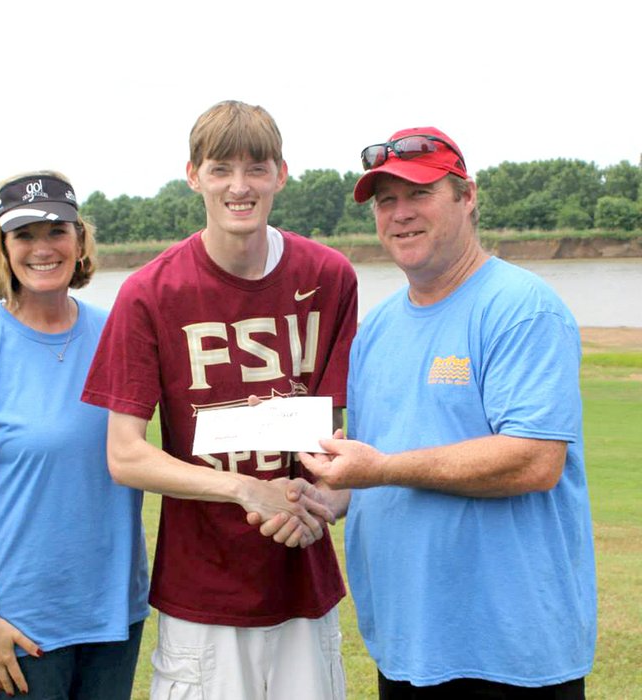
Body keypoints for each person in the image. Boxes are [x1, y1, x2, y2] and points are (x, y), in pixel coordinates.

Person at [296, 127, 597, 699]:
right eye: (386, 201)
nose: (400, 214)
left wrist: (379, 470)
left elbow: (532, 461)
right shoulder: (375, 331)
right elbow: (382, 459)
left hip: (507, 655)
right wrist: (332, 495)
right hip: (408, 646)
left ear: (468, 197)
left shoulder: (520, 309)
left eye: (420, 194)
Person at [81, 100, 357, 700]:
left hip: (302, 579)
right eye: (221, 169)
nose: (240, 186)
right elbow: (125, 456)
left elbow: (338, 435)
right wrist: (242, 488)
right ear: (193, 175)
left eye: (256, 169)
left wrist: (326, 501)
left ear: (281, 175)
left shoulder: (331, 275)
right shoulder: (150, 292)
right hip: (201, 589)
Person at [0, 171, 149, 699]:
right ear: (3, 249)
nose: (42, 248)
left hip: (114, 609)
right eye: (24, 235)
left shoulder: (118, 331)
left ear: (80, 241)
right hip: (20, 624)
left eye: (57, 231)